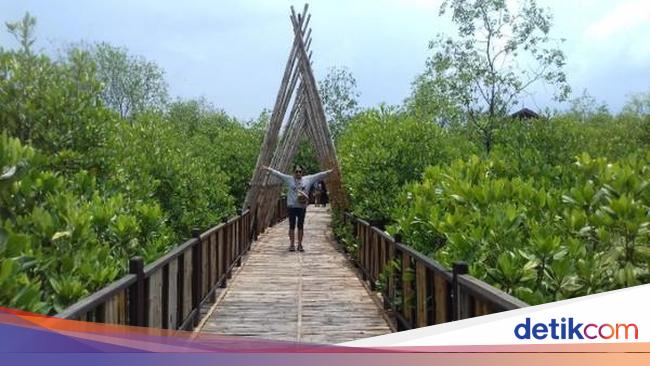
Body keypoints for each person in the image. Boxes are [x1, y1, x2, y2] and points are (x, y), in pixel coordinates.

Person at [262, 164, 332, 252]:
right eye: (296, 172)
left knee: (300, 226)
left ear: (302, 172)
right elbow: (278, 174)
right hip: (292, 206)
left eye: (300, 171)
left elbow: (319, 175)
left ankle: (299, 244)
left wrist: (330, 172)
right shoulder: (289, 179)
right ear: (293, 173)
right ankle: (291, 244)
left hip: (302, 207)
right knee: (291, 226)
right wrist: (268, 169)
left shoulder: (308, 179)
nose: (298, 173)